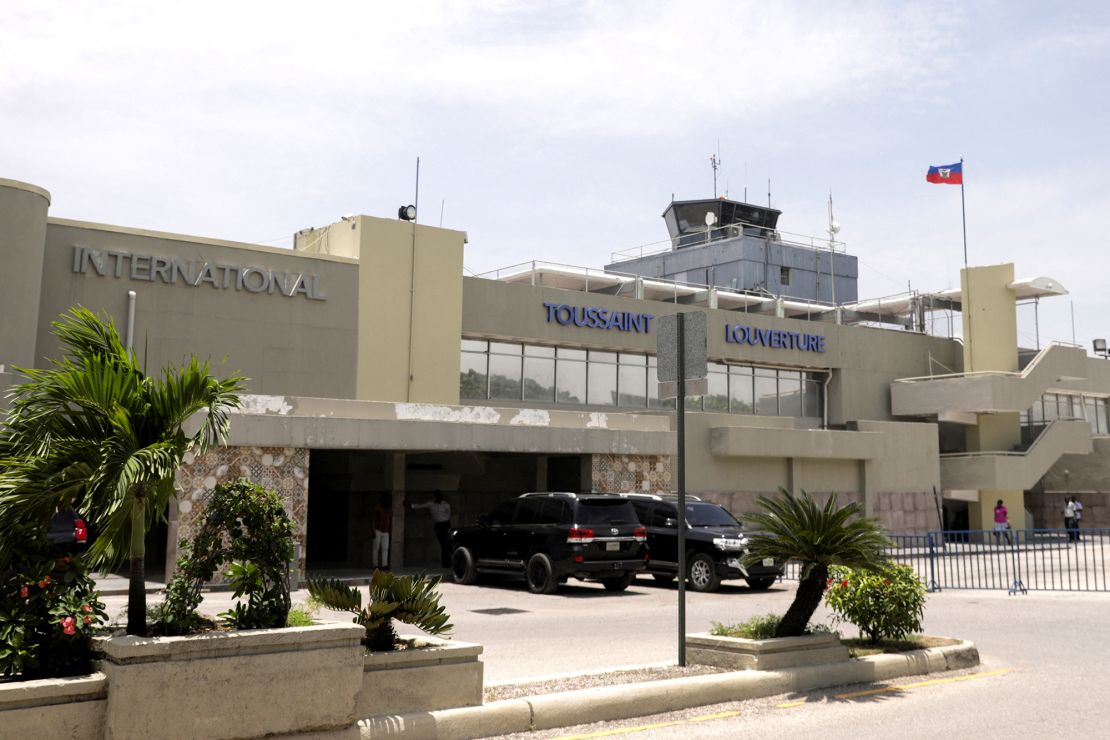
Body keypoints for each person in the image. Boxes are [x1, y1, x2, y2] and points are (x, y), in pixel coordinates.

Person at [411, 490, 452, 567]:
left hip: (446, 525)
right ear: (435, 497)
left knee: (446, 544)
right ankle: (446, 563)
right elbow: (419, 506)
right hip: (439, 526)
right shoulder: (431, 504)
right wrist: (410, 505)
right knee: (443, 544)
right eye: (438, 496)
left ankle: (447, 563)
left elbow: (448, 515)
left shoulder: (446, 505)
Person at [371, 495, 392, 570]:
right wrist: (373, 530)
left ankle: (384, 564)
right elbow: (373, 520)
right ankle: (375, 565)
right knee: (376, 548)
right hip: (378, 530)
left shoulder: (389, 510)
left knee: (385, 548)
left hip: (385, 531)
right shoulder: (377, 509)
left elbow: (389, 521)